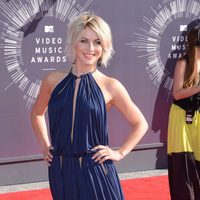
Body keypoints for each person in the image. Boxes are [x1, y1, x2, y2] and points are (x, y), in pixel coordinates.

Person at [31, 12, 148, 200]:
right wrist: (45, 147)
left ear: (105, 46)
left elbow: (140, 123)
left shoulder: (111, 86)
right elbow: (37, 113)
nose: (91, 48)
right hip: (61, 172)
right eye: (84, 40)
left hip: (96, 171)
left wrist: (119, 152)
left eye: (98, 42)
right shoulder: (52, 81)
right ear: (74, 42)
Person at [167, 25, 200, 200]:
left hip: (198, 118)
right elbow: (177, 93)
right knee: (184, 165)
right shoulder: (183, 62)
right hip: (182, 117)